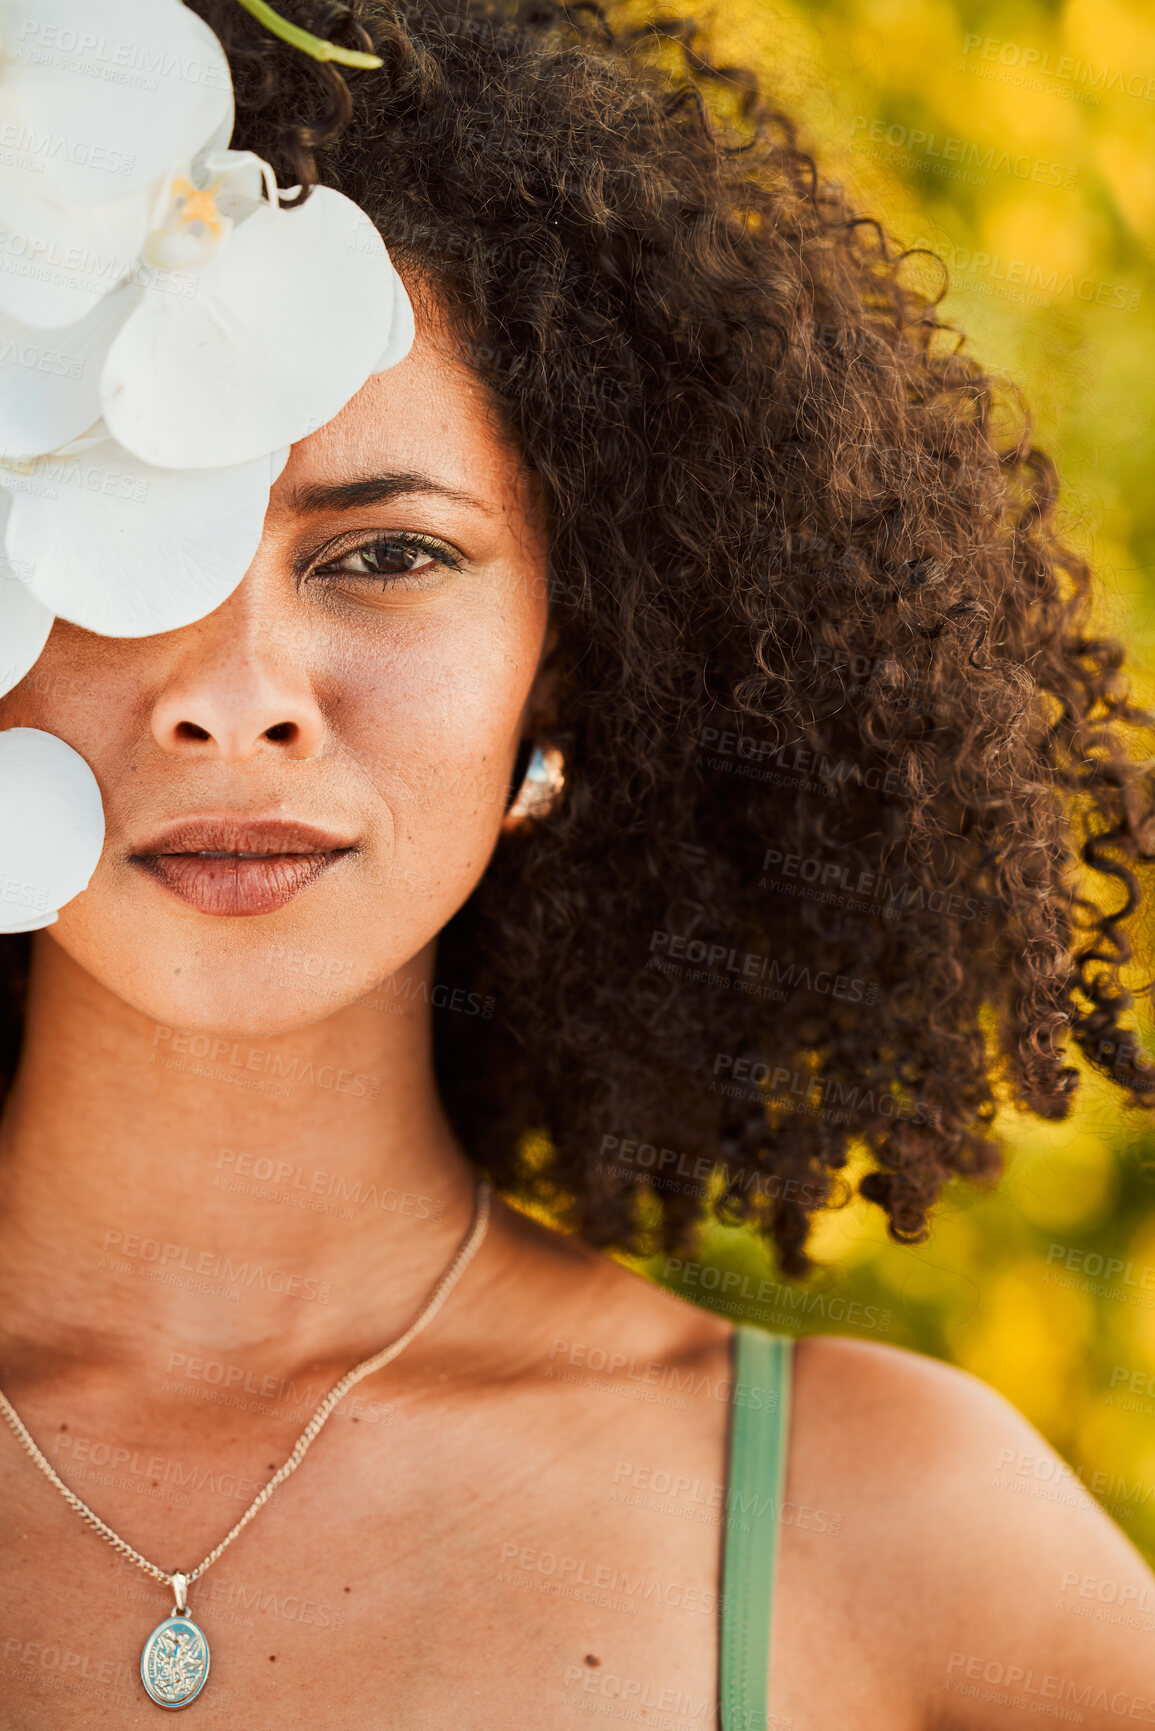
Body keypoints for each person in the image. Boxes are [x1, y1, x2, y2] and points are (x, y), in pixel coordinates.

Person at [0, 0, 1153, 1722]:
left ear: (575, 648)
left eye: (386, 552)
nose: (237, 704)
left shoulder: (889, 1533)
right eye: (120, 535)